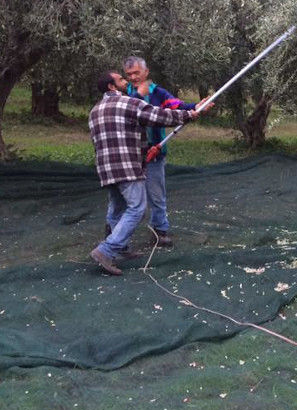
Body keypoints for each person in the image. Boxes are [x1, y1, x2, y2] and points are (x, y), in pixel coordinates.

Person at [89, 71, 199, 275]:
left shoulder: (95, 110)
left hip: (106, 169)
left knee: (117, 208)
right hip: (127, 167)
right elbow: (159, 116)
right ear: (112, 87)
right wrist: (189, 114)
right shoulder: (128, 103)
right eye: (121, 80)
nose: (126, 82)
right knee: (137, 209)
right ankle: (106, 250)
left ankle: (120, 248)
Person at [122, 56, 210, 247]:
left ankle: (159, 231)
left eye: (137, 73)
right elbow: (126, 115)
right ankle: (117, 233)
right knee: (125, 197)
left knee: (156, 194)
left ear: (146, 72)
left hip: (154, 152)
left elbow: (176, 105)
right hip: (129, 154)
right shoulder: (124, 93)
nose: (133, 77)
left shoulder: (158, 93)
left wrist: (195, 107)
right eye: (129, 74)